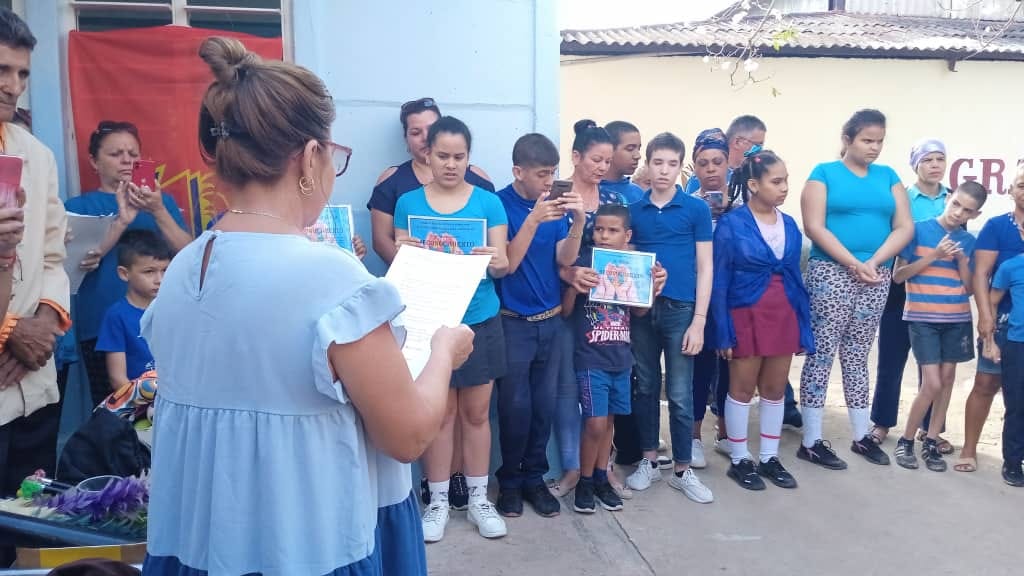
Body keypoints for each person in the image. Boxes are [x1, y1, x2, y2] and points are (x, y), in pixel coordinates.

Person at [142, 36, 474, 575]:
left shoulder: (184, 265)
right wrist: (442, 351)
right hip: (310, 544)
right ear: (311, 156)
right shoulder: (328, 275)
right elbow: (409, 434)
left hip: (201, 548)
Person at [394, 116, 510, 541]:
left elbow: (503, 265)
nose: (450, 164)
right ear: (427, 153)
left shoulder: (487, 203)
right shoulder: (408, 202)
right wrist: (404, 252)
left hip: (479, 317)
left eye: (459, 157)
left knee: (477, 414)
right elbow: (402, 269)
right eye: (442, 155)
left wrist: (495, 260)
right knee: (439, 414)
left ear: (468, 158)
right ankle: (438, 500)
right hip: (429, 319)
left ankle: (479, 498)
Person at [799, 109, 913, 469]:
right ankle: (812, 439)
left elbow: (904, 226)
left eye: (879, 141)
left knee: (858, 352)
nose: (874, 147)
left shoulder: (889, 176)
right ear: (847, 139)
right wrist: (852, 262)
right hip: (831, 272)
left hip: (875, 275)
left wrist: (874, 262)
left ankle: (861, 435)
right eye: (867, 140)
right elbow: (814, 226)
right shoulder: (824, 174)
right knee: (822, 352)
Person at [65, 120, 191, 407]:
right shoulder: (78, 207)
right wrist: (121, 223)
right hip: (101, 327)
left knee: (166, 408)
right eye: (116, 154)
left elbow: (189, 254)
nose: (127, 161)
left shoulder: (161, 202)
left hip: (162, 324)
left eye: (133, 154)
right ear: (93, 161)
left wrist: (157, 209)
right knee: (114, 412)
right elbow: (77, 264)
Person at [0, 8, 73, 499]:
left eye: (23, 72)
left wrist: (44, 325)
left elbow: (52, 256)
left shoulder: (36, 154)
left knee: (30, 526)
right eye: (2, 70)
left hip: (34, 378)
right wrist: (8, 330)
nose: (14, 85)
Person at [495, 133, 585, 518]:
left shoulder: (556, 207)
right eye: (542, 174)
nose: (549, 183)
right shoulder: (499, 205)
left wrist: (577, 221)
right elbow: (505, 262)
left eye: (553, 173)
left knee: (544, 407)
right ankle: (510, 483)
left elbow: (564, 257)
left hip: (550, 321)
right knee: (514, 408)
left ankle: (535, 478)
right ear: (519, 172)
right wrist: (533, 217)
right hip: (512, 323)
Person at [713, 150, 812, 491]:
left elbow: (796, 278)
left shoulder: (789, 224)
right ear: (754, 185)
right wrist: (722, 330)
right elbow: (720, 280)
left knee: (773, 389)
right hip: (745, 313)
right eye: (777, 181)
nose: (784, 188)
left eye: (786, 180)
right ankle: (740, 458)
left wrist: (802, 324)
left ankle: (769, 456)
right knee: (741, 388)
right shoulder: (731, 224)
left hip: (782, 312)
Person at [626, 132, 715, 504]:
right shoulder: (634, 210)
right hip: (643, 312)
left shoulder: (695, 210)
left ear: (681, 168)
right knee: (645, 386)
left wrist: (699, 321)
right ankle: (649, 458)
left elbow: (705, 267)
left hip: (681, 310)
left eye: (672, 164)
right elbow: (626, 261)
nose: (663, 171)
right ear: (648, 164)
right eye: (657, 162)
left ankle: (682, 469)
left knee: (679, 393)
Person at [549, 120, 630, 500]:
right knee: (569, 390)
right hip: (565, 305)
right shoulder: (557, 197)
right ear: (576, 157)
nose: (602, 167)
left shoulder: (616, 202)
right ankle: (571, 468)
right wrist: (570, 275)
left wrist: (650, 273)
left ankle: (603, 469)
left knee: (605, 401)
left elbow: (629, 254)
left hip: (610, 316)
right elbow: (544, 255)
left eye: (607, 161)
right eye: (596, 159)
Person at [564, 204, 664, 513]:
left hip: (621, 358)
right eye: (599, 229)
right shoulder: (584, 262)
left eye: (612, 230)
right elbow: (566, 311)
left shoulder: (636, 265)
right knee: (593, 423)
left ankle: (599, 479)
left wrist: (653, 288)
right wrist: (575, 287)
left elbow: (640, 311)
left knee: (608, 422)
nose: (604, 236)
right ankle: (583, 480)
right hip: (590, 357)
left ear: (627, 235)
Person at [892, 182, 986, 472]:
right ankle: (906, 440)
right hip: (922, 317)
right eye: (956, 204)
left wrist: (959, 259)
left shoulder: (969, 242)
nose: (959, 213)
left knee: (946, 381)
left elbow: (970, 288)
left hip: (956, 319)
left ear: (976, 213)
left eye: (968, 210)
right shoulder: (918, 229)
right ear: (948, 197)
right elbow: (898, 276)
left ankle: (931, 441)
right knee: (930, 382)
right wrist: (934, 255)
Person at [871, 138, 952, 448]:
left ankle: (931, 428)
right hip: (902, 285)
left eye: (939, 159)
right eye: (928, 159)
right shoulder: (902, 197)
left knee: (932, 361)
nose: (934, 165)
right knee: (892, 356)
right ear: (916, 164)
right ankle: (882, 422)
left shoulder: (952, 199)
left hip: (937, 289)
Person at [368, 97, 494, 266]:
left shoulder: (478, 178)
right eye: (415, 132)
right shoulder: (391, 181)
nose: (425, 137)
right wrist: (411, 273)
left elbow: (494, 242)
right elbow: (381, 241)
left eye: (432, 129)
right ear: (406, 138)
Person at [956, 163, 1024, 473]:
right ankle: (969, 449)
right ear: (1010, 190)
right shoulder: (997, 227)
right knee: (986, 382)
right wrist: (985, 318)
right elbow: (981, 274)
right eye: (1021, 184)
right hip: (1002, 320)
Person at [688, 128, 734, 469]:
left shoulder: (745, 204)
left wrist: (731, 214)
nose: (711, 169)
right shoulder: (688, 205)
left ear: (728, 162)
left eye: (717, 162)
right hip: (697, 296)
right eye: (703, 163)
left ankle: (725, 433)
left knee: (732, 367)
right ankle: (692, 437)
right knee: (698, 369)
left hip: (734, 298)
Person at [95, 231, 171, 393]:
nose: (160, 279)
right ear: (124, 273)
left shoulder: (176, 310)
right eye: (149, 272)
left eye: (165, 270)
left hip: (176, 401)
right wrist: (145, 404)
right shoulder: (116, 315)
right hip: (139, 405)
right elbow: (117, 378)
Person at [985, 251, 1024, 486]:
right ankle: (1012, 462)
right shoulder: (1012, 266)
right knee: (1017, 405)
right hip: (1018, 344)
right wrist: (990, 342)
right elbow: (992, 301)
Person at [684, 115, 766, 195]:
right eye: (757, 145)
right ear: (738, 142)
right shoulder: (704, 177)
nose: (760, 150)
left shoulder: (749, 176)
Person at [600, 121, 645, 203]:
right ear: (610, 149)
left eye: (638, 149)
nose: (637, 156)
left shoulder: (638, 194)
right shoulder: (587, 190)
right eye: (630, 149)